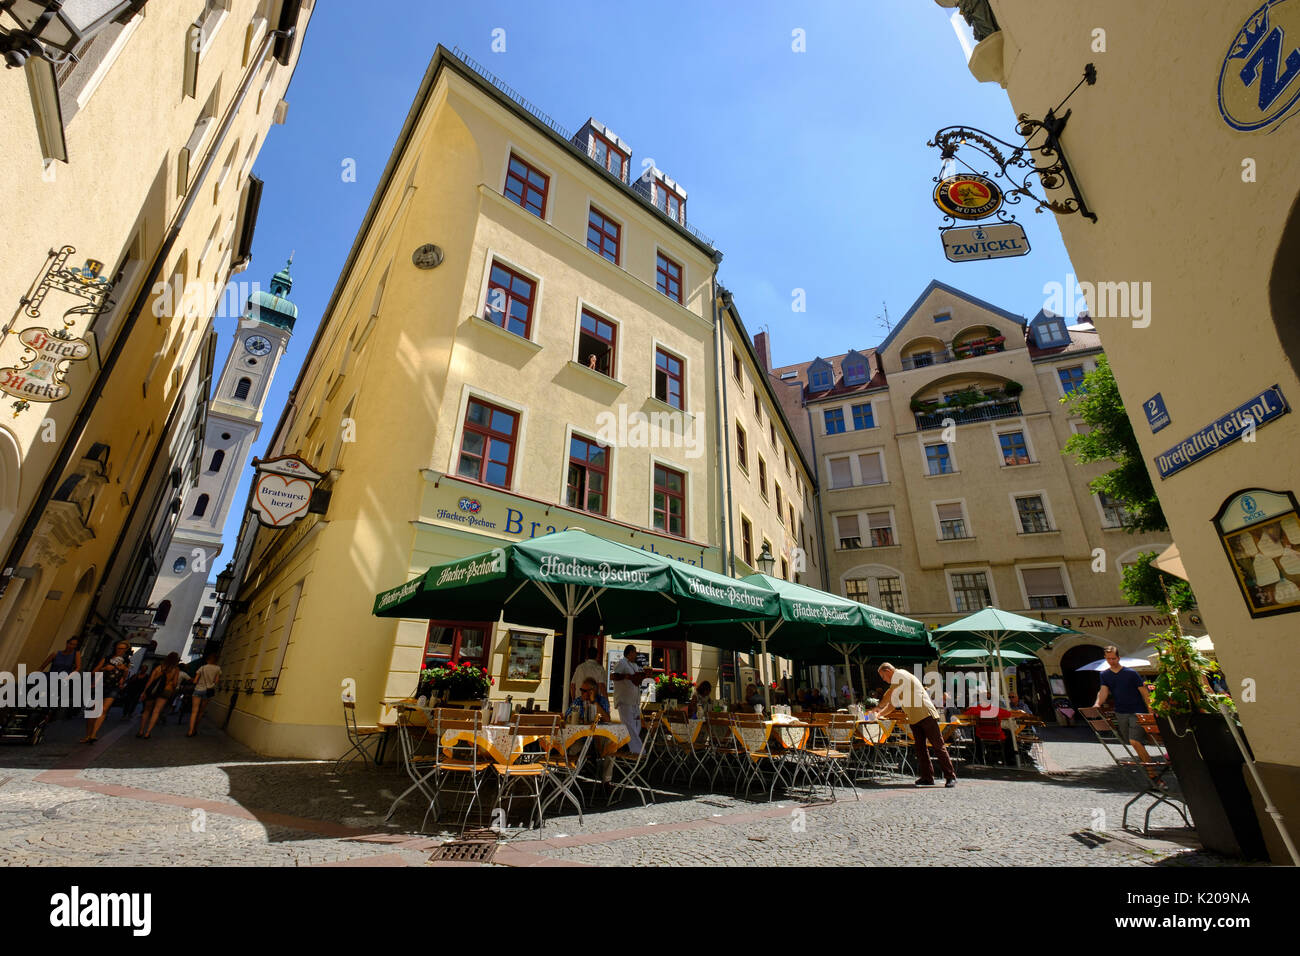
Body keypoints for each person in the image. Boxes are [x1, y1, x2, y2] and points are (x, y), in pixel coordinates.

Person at [876, 661, 957, 788]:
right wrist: (879, 714)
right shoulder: (898, 682)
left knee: (938, 746)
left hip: (926, 714)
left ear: (888, 671)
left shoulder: (900, 675)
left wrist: (878, 709)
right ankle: (927, 777)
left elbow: (889, 696)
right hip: (914, 718)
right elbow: (892, 704)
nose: (884, 680)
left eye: (883, 676)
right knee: (920, 749)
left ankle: (950, 776)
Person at [1093, 645, 1154, 765]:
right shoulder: (1104, 675)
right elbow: (1103, 690)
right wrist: (1097, 703)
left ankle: (1150, 769)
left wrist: (1150, 709)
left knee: (1134, 740)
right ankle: (1147, 762)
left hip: (1137, 711)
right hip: (1121, 712)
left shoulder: (1131, 673)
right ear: (1105, 658)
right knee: (1130, 741)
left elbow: (1144, 692)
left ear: (1118, 658)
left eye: (1113, 658)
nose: (1111, 661)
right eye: (1109, 659)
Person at [82, 641, 133, 743]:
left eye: (123, 649)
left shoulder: (126, 662)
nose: (120, 650)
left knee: (104, 710)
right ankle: (88, 734)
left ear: (126, 650)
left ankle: (93, 734)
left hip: (113, 688)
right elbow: (94, 672)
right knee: (93, 711)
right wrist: (104, 668)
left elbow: (124, 677)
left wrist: (125, 670)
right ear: (115, 648)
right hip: (100, 685)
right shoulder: (106, 659)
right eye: (119, 648)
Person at [611, 645, 650, 754]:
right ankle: (639, 751)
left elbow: (636, 680)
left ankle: (625, 746)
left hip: (635, 701)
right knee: (630, 726)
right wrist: (626, 676)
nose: (636, 655)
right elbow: (613, 676)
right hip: (625, 701)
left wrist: (643, 676)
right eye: (635, 653)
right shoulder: (622, 663)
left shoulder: (635, 665)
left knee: (637, 725)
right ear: (629, 652)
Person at [137, 653, 188, 739]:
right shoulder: (175, 670)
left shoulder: (159, 667)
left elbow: (150, 680)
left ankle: (141, 731)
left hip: (153, 690)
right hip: (166, 691)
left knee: (147, 711)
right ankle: (148, 733)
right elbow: (175, 683)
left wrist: (144, 692)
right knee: (156, 711)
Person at [188, 651, 222, 737]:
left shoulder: (202, 668)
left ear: (208, 660)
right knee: (201, 711)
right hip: (208, 691)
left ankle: (190, 731)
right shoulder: (217, 669)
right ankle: (195, 728)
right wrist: (211, 685)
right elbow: (216, 681)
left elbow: (195, 681)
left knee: (194, 711)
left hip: (198, 689)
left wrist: (197, 682)